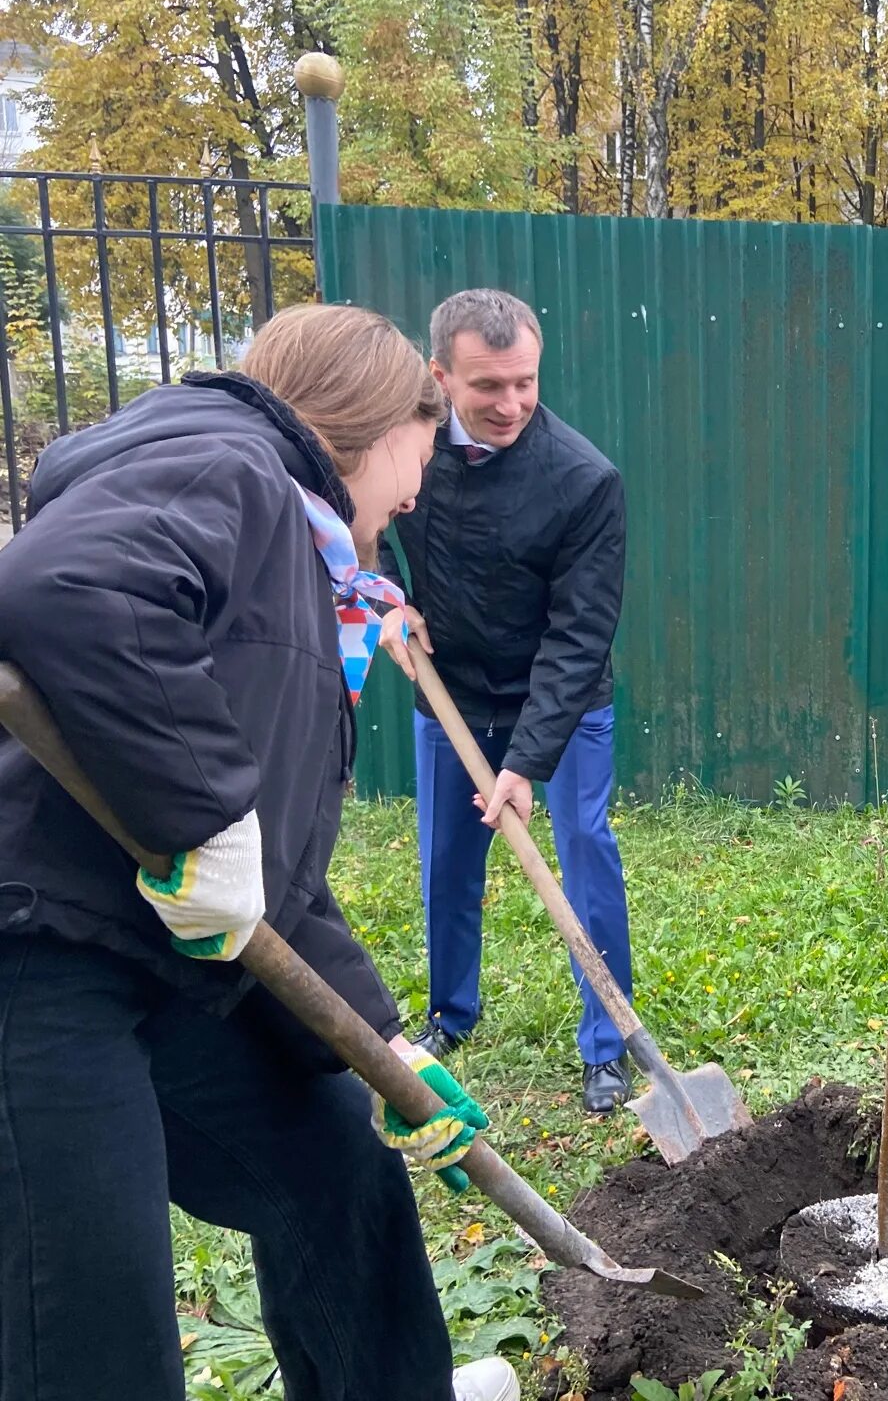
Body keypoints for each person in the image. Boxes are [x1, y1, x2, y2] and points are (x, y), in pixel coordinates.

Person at [0, 304, 520, 1401]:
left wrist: (383, 1042)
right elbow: (64, 591)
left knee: (337, 1175)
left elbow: (266, 872)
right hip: (38, 958)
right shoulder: (221, 461)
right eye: (419, 458)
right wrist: (200, 814)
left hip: (156, 959)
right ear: (375, 427)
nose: (417, 494)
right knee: (92, 1327)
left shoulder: (297, 553)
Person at [377, 288, 634, 1114]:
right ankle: (451, 1013)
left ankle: (608, 1043)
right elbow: (361, 527)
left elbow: (580, 633)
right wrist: (382, 596)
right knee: (448, 858)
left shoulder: (584, 480)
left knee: (586, 854)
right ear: (441, 375)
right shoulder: (402, 448)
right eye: (489, 386)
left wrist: (526, 760)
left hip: (560, 698)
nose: (512, 403)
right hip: (448, 688)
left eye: (525, 381)